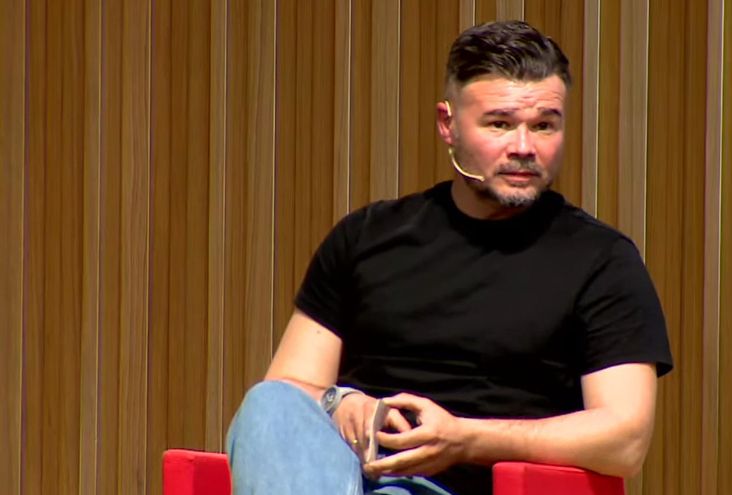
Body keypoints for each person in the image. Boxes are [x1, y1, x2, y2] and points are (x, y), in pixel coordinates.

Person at [225, 20, 673, 495]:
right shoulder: (367, 237)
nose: (524, 147)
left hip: (467, 485)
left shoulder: (601, 260)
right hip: (339, 473)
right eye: (500, 124)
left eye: (544, 125)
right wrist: (341, 403)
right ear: (448, 125)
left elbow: (625, 440)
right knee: (270, 401)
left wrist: (464, 439)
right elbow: (292, 388)